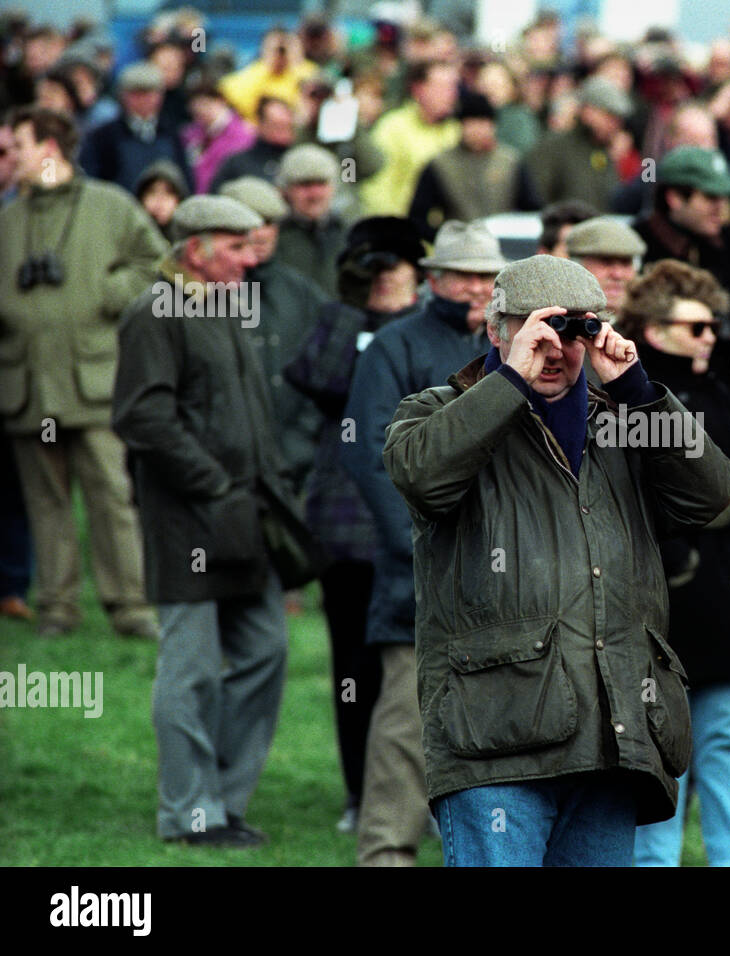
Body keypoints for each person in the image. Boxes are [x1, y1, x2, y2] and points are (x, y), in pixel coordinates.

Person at [381, 255, 730, 866]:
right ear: (495, 332)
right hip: (494, 737)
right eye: (532, 330)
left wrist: (638, 392)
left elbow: (708, 495)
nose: (554, 350)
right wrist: (509, 382)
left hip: (611, 731)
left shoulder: (623, 419)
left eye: (575, 332)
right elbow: (425, 477)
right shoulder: (434, 411)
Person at [112, 195, 298, 847]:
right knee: (189, 670)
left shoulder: (223, 306)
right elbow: (142, 417)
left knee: (267, 651)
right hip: (188, 521)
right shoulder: (153, 313)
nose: (253, 257)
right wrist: (214, 484)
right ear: (197, 249)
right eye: (239, 245)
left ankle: (221, 799)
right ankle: (191, 813)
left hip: (246, 516)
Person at [338, 219, 508, 865]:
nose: (472, 286)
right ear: (432, 278)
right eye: (461, 274)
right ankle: (385, 848)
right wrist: (419, 540)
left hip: (500, 570)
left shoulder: (514, 348)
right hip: (415, 564)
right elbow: (367, 454)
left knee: (495, 717)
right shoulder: (393, 343)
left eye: (484, 276)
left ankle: (479, 843)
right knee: (407, 717)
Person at [618, 259, 730, 867]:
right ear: (656, 331)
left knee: (725, 738)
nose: (715, 336)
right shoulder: (632, 394)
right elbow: (647, 496)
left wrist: (723, 497)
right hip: (659, 600)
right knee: (657, 750)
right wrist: (727, 498)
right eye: (700, 326)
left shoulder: (722, 388)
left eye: (717, 325)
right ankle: (654, 863)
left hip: (724, 595)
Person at [283, 216, 430, 839]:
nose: (387, 277)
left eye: (398, 266)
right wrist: (354, 308)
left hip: (420, 525)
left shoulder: (431, 330)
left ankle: (423, 798)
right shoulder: (336, 320)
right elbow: (316, 379)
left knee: (421, 672)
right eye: (375, 266)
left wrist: (399, 315)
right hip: (347, 528)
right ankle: (358, 793)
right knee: (354, 671)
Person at [0, 106, 164, 638]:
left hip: (93, 384)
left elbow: (158, 267)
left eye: (16, 146)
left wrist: (107, 293)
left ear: (49, 148)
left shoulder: (111, 206)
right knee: (45, 504)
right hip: (27, 385)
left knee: (111, 499)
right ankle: (57, 608)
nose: (10, 158)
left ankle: (131, 607)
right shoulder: (7, 219)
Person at [634, 145, 730, 432]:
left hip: (727, 400)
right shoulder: (638, 247)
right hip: (658, 405)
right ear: (674, 198)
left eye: (723, 196)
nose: (720, 206)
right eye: (710, 196)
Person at [217, 175, 328, 493]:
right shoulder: (199, 296)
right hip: (223, 465)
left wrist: (299, 442)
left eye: (270, 222)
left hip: (295, 464)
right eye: (253, 222)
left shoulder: (303, 292)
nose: (262, 233)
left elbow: (325, 372)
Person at [408, 91, 539, 242]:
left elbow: (531, 208)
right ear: (461, 125)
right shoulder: (441, 164)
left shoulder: (510, 161)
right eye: (471, 123)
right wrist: (444, 239)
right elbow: (418, 215)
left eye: (483, 123)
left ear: (493, 125)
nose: (477, 130)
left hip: (503, 246)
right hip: (458, 249)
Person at [360, 60, 460, 217]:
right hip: (403, 231)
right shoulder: (392, 128)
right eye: (443, 87)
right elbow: (377, 188)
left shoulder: (456, 131)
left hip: (450, 233)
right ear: (418, 89)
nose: (452, 95)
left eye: (454, 87)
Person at [528, 76, 637, 211]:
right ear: (587, 111)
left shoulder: (605, 151)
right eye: (609, 117)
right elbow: (537, 199)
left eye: (618, 120)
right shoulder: (553, 148)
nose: (614, 125)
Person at [80, 62, 191, 194]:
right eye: (136, 94)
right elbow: (93, 180)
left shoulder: (171, 133)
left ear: (160, 96)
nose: (144, 100)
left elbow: (185, 179)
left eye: (149, 94)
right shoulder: (103, 136)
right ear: (123, 96)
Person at [274, 143, 347, 296]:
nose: (314, 195)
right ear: (285, 190)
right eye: (305, 185)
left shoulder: (347, 235)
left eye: (321, 184)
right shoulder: (273, 238)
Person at [562, 215, 645, 317]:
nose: (617, 274)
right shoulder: (554, 323)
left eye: (625, 263)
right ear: (576, 268)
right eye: (606, 262)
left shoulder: (651, 323)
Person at [134, 158, 189, 241]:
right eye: (152, 192)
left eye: (168, 192)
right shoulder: (131, 239)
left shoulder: (188, 243)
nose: (160, 200)